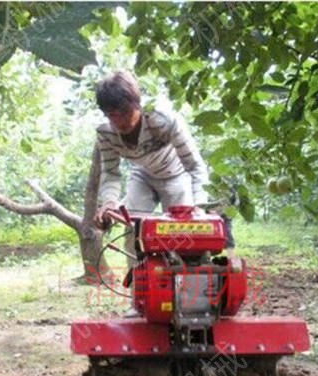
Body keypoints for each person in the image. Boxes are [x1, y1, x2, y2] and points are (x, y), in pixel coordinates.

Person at [92, 71, 235, 260]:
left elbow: (194, 165)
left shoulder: (163, 119)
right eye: (112, 115)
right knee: (132, 233)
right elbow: (111, 173)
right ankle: (140, 286)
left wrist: (199, 207)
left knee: (186, 237)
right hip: (142, 174)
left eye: (126, 113)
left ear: (138, 105)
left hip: (175, 173)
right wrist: (109, 202)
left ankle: (189, 287)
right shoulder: (105, 131)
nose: (120, 121)